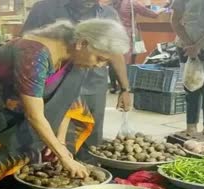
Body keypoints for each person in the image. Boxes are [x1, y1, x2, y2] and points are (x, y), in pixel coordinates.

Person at [0, 19, 129, 189]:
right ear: (83, 43)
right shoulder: (33, 53)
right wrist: (64, 157)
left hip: (17, 109)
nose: (99, 65)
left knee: (18, 161)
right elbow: (35, 115)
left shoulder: (74, 59)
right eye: (100, 58)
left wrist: (60, 143)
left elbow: (66, 102)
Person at [22, 0, 132, 163]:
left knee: (90, 136)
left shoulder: (108, 14)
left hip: (94, 85)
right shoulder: (44, 8)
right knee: (46, 132)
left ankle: (88, 173)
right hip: (53, 85)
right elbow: (27, 44)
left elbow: (114, 52)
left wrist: (125, 89)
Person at [172, 0, 204, 135]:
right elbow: (175, 20)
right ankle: (191, 127)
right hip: (187, 45)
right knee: (190, 86)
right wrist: (191, 45)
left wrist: (197, 45)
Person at [108, 0, 166, 93]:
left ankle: (113, 86)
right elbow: (152, 14)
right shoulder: (131, 3)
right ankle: (125, 87)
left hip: (113, 33)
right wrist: (162, 9)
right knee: (127, 61)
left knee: (113, 59)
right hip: (127, 34)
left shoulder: (111, 3)